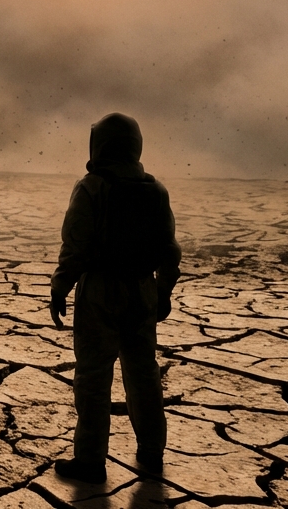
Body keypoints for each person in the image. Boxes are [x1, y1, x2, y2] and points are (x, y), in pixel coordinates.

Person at [49, 112, 181, 484]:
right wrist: (164, 291)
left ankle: (91, 461)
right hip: (142, 290)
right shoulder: (155, 190)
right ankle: (152, 452)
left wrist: (60, 287)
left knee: (93, 377)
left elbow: (75, 245)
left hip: (100, 292)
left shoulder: (92, 186)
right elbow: (169, 249)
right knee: (143, 375)